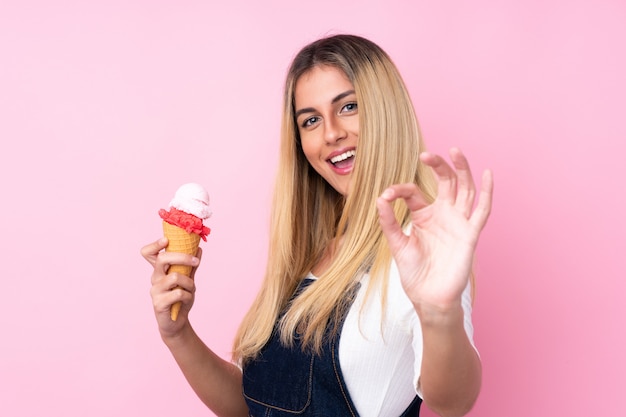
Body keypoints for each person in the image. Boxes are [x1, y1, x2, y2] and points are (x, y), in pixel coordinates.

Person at [141, 34, 493, 417]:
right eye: (310, 120)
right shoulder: (307, 254)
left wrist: (440, 311)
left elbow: (453, 402)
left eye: (348, 107)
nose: (330, 133)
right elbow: (249, 407)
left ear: (387, 111)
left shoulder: (420, 255)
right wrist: (177, 334)